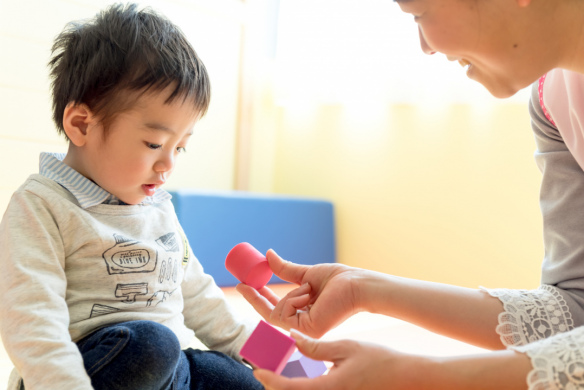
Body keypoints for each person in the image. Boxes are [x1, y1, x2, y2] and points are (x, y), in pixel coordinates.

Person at [237, 0, 584, 389]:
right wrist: (362, 289)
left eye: (419, 13)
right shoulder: (551, 98)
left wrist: (421, 377)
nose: (425, 47)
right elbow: (575, 308)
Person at [0, 3, 263, 390]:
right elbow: (32, 320)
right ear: (81, 124)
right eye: (154, 143)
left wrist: (292, 363)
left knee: (238, 378)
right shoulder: (41, 206)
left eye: (180, 148)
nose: (167, 164)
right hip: (87, 371)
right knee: (152, 346)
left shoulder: (158, 208)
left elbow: (204, 301)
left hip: (168, 370)